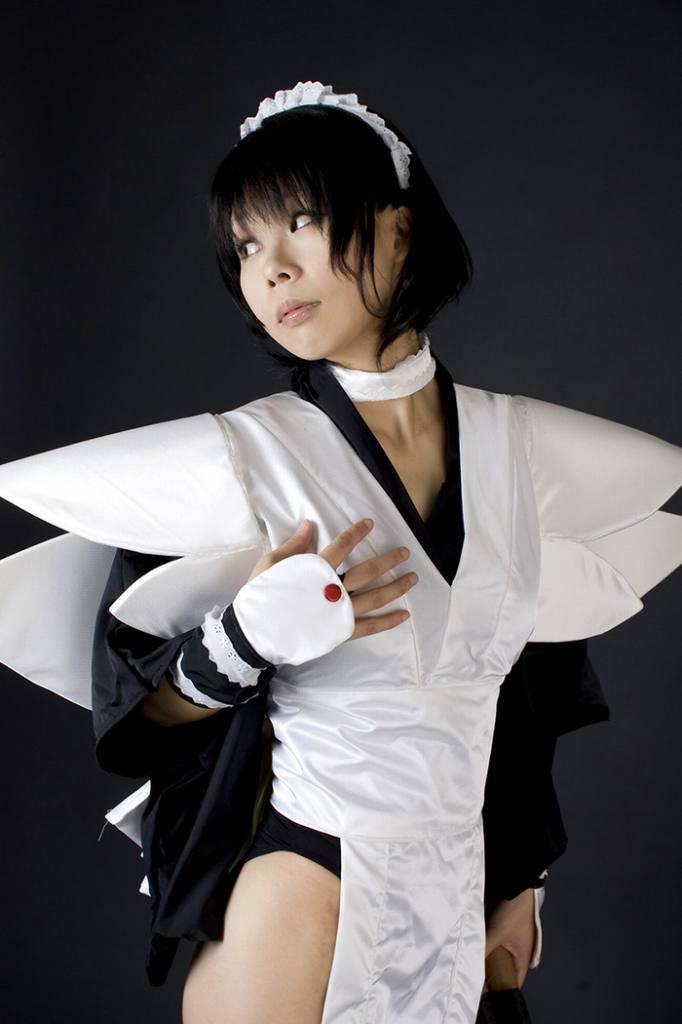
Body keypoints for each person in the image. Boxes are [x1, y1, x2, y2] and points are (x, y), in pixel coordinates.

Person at [0, 81, 679, 1024]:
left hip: (463, 890)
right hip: (306, 885)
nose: (272, 269)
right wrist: (242, 640)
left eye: (301, 223)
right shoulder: (245, 462)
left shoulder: (515, 448)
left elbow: (527, 691)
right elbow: (136, 722)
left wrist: (521, 878)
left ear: (398, 230)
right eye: (245, 246)